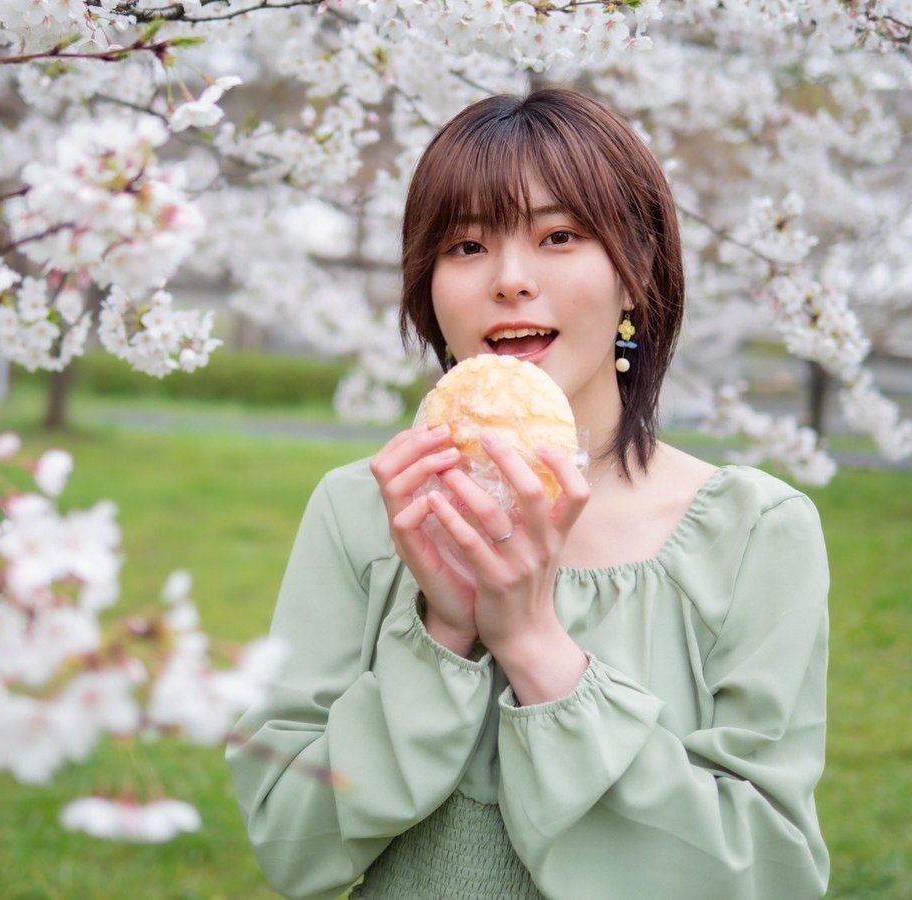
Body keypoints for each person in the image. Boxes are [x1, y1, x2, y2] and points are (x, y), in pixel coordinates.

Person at [226, 88, 829, 899]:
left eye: (559, 236)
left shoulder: (757, 531)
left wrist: (536, 643)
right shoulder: (362, 510)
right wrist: (441, 630)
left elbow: (768, 872)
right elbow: (290, 840)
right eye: (466, 245)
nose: (510, 280)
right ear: (428, 287)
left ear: (635, 274)